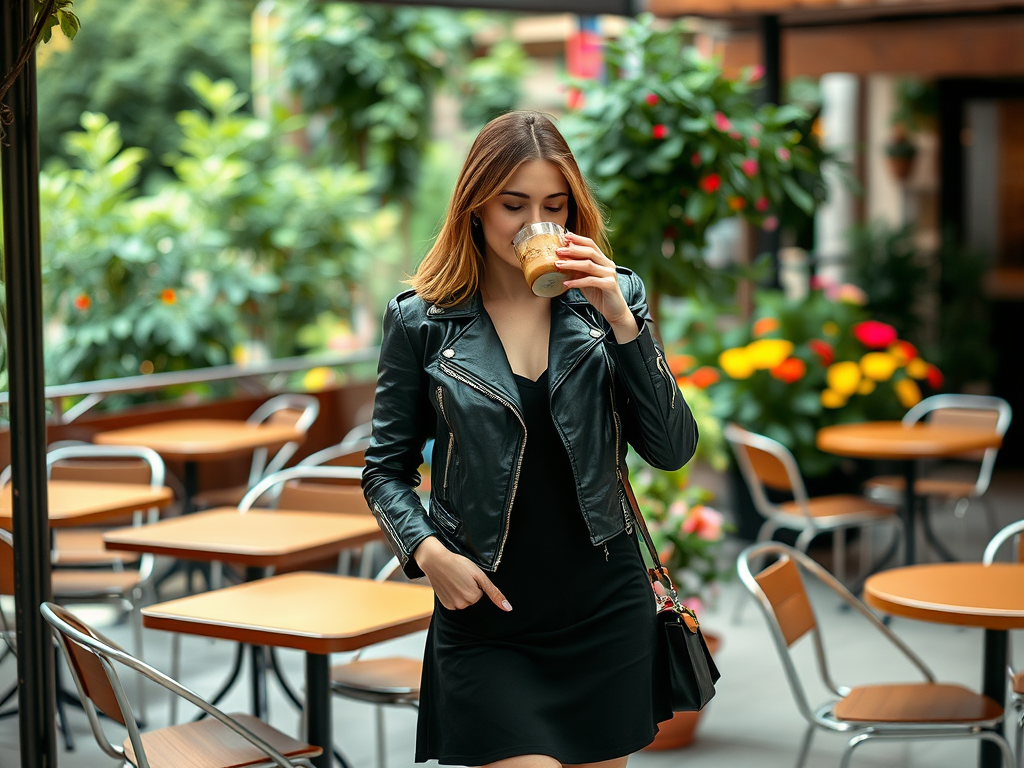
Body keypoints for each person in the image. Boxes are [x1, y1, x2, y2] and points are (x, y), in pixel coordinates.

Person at [362, 111, 698, 768]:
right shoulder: (421, 320)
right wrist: (428, 552)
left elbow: (671, 450)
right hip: (488, 613)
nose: (534, 223)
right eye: (514, 204)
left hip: (602, 606)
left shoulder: (612, 298)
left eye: (554, 205)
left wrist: (625, 326)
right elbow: (384, 470)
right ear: (475, 206)